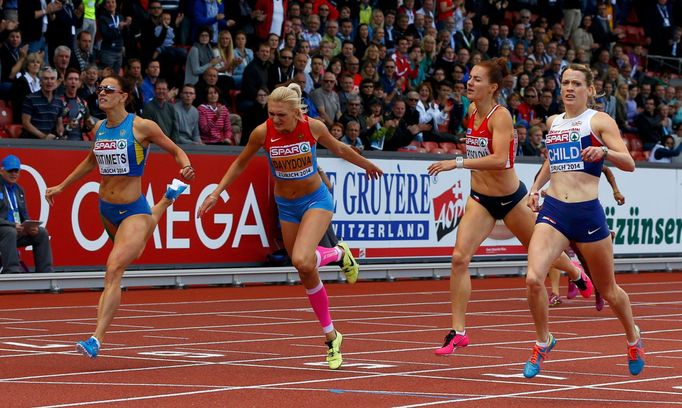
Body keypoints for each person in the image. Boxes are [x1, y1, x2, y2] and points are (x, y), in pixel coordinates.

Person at [197, 83, 383, 369]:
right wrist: (215, 192)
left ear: (296, 113)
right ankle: (332, 335)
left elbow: (341, 149)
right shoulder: (262, 132)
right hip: (287, 206)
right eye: (271, 114)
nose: (275, 120)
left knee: (300, 257)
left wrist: (365, 164)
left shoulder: (313, 127)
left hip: (316, 200)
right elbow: (240, 163)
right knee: (304, 268)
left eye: (281, 115)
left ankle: (337, 254)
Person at [427, 58, 592, 357]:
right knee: (459, 259)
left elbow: (501, 159)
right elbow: (482, 149)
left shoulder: (499, 116)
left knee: (543, 254)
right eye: (470, 77)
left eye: (477, 79)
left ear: (492, 87)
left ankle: (576, 273)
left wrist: (458, 162)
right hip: (480, 199)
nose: (469, 82)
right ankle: (458, 332)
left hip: (511, 199)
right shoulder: (471, 111)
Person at [44, 75, 196, 359]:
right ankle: (167, 199)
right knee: (126, 260)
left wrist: (186, 166)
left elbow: (176, 150)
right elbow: (91, 161)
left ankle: (96, 339)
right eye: (99, 89)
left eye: (108, 89)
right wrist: (62, 186)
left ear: (123, 95)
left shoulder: (141, 127)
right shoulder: (100, 127)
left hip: (133, 210)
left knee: (113, 269)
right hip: (107, 210)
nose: (101, 93)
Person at [524, 63, 643, 378]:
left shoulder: (599, 120)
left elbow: (629, 163)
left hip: (587, 213)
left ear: (590, 90)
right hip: (554, 212)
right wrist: (535, 189)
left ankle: (633, 337)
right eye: (565, 82)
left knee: (609, 289)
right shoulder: (554, 121)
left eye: (576, 83)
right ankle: (543, 340)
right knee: (534, 279)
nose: (569, 88)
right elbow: (552, 160)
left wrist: (603, 151)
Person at [0, 155, 54, 274]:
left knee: (41, 233)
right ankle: (12, 271)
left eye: (16, 171)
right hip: (4, 230)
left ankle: (46, 274)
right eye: (10, 170)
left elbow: (24, 214)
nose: (14, 174)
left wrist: (30, 226)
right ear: (1, 171)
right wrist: (11, 225)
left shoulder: (19, 190)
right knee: (10, 231)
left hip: (17, 230)